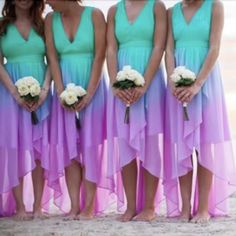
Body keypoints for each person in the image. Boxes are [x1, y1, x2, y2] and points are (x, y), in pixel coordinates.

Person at [164, 0, 236, 223]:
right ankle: (185, 208)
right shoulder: (171, 12)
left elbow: (215, 47)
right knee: (182, 145)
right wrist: (172, 80)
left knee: (205, 144)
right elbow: (169, 48)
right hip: (177, 82)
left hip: (206, 81)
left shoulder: (215, 7)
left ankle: (203, 207)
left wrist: (197, 84)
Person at [45, 0, 112, 219]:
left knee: (90, 147)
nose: (46, 2)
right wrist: (62, 90)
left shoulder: (94, 15)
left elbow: (100, 55)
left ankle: (89, 206)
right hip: (64, 85)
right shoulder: (49, 20)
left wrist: (89, 93)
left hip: (92, 86)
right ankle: (74, 205)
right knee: (68, 147)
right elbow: (52, 57)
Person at [107, 0, 167, 221]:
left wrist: (145, 84)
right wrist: (115, 83)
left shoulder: (156, 7)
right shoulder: (114, 10)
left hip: (149, 81)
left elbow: (159, 46)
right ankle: (131, 206)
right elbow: (111, 49)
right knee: (124, 144)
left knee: (151, 142)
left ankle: (149, 206)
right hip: (121, 81)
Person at [0, 0, 51, 219]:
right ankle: (20, 205)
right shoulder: (2, 26)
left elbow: (53, 61)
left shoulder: (44, 24)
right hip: (9, 92)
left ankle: (38, 205)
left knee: (40, 149)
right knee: (14, 148)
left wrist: (44, 90)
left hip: (41, 92)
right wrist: (14, 92)